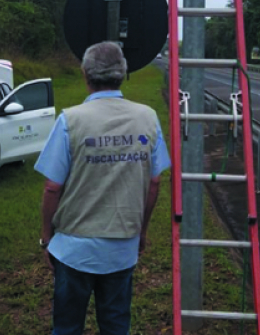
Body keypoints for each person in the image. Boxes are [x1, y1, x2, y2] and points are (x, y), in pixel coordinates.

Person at [35, 41, 172, 335]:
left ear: (85, 74)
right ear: (123, 73)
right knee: (115, 324)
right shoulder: (147, 117)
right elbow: (154, 181)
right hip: (122, 247)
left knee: (68, 327)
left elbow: (51, 188)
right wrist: (142, 231)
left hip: (73, 249)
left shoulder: (70, 120)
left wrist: (47, 236)